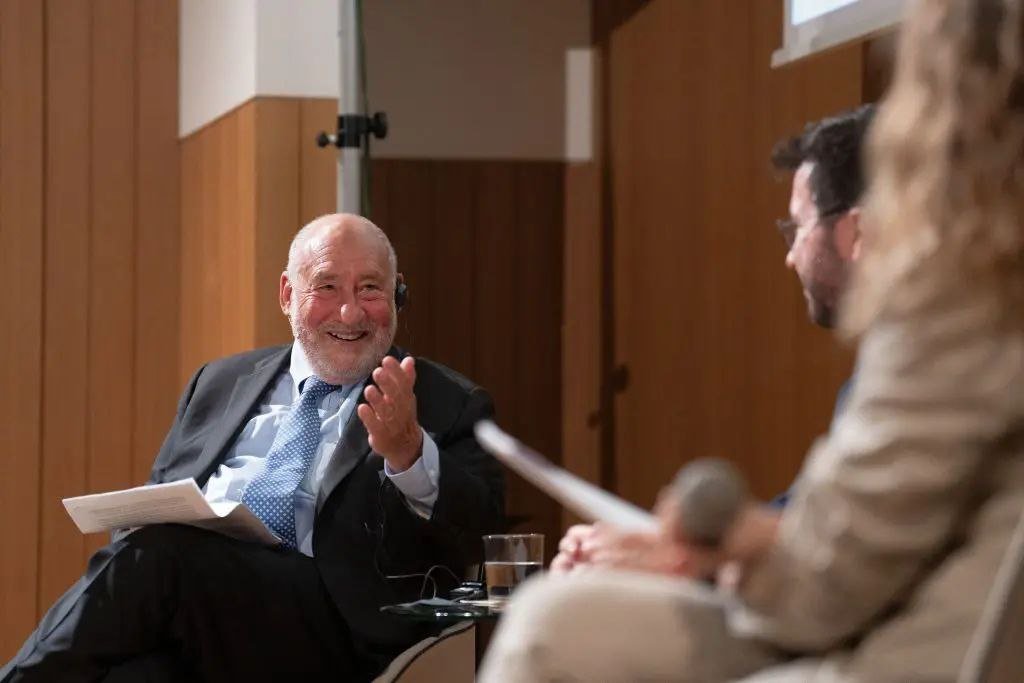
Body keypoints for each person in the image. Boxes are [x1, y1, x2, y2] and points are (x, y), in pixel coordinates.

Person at [479, 0, 1024, 679]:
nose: (789, 258)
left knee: (548, 622)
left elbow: (827, 580)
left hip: (900, 652)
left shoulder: (971, 291)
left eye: (795, 232)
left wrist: (710, 547)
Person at [2, 214, 505, 682]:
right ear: (288, 294)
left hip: (337, 629)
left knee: (160, 554)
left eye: (370, 289)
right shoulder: (218, 383)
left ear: (397, 297)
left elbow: (478, 531)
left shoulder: (444, 401)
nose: (351, 312)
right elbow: (158, 504)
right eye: (326, 287)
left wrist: (409, 453)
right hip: (202, 613)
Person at [552, 105, 875, 575]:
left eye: (798, 227)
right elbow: (813, 510)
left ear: (856, 230)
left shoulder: (926, 364)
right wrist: (654, 543)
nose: (791, 257)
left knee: (555, 613)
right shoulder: (890, 359)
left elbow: (849, 541)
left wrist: (691, 555)